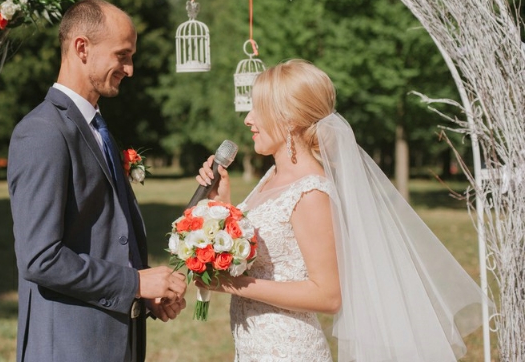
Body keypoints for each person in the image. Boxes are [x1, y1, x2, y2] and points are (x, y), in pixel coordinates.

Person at [196, 59, 487, 361]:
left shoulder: (311, 191)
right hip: (251, 348)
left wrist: (234, 285)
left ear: (289, 119)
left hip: (287, 351)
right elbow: (254, 254)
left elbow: (328, 295)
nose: (248, 119)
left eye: (258, 109)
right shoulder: (272, 176)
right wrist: (222, 205)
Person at [8, 0, 187, 362]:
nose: (130, 69)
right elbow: (40, 258)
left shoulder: (97, 128)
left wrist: (143, 293)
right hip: (69, 347)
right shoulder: (43, 131)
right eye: (122, 55)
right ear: (82, 48)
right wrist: (135, 283)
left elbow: (103, 235)